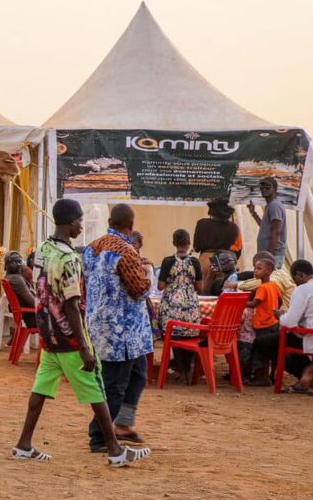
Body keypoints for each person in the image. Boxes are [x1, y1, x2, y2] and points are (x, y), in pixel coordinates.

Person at [12, 198, 150, 468]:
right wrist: (83, 345)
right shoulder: (69, 258)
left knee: (40, 390)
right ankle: (114, 449)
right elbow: (72, 304)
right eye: (79, 222)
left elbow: (40, 291)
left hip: (49, 333)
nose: (81, 226)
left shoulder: (43, 249)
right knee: (97, 389)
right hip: (69, 336)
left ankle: (24, 444)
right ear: (72, 222)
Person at [82, 204, 153, 451]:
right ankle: (99, 435)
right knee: (116, 383)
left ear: (110, 221)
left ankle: (122, 424)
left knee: (137, 375)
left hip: (101, 325)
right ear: (131, 226)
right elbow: (140, 289)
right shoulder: (127, 252)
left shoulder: (91, 249)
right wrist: (148, 274)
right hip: (124, 332)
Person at [277, 259, 313, 395]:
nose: (295, 283)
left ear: (300, 275)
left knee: (265, 343)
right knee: (279, 338)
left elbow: (289, 322)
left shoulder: (302, 290)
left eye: (294, 279)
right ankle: (307, 370)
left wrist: (280, 316)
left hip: (312, 337)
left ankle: (305, 371)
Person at [157, 229, 203, 382]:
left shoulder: (168, 261)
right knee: (190, 335)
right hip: (191, 307)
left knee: (174, 335)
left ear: (174, 243)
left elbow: (161, 286)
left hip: (171, 306)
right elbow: (200, 288)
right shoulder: (195, 262)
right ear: (189, 243)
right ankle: (189, 368)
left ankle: (181, 371)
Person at [244, 252, 282, 385]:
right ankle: (271, 376)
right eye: (255, 268)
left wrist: (241, 302)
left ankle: (261, 377)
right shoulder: (274, 285)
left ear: (269, 271)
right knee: (272, 351)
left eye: (259, 269)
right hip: (273, 322)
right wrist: (273, 310)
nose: (255, 271)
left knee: (260, 352)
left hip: (263, 324)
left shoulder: (262, 287)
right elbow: (280, 301)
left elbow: (254, 303)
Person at [248, 177, 287, 268]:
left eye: (267, 187)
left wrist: (269, 256)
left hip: (273, 254)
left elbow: (276, 231)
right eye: (262, 188)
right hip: (269, 254)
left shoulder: (274, 206)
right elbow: (265, 227)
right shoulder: (270, 205)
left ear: (275, 189)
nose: (264, 189)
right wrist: (253, 213)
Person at [193, 198, 241, 269]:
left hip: (205, 259)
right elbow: (237, 251)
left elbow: (196, 248)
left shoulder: (201, 223)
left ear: (211, 211)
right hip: (226, 260)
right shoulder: (234, 227)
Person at [3, 251, 37, 327]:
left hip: (24, 314)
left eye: (19, 262)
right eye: (15, 263)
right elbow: (33, 303)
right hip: (32, 318)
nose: (18, 265)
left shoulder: (9, 277)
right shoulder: (17, 279)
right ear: (7, 265)